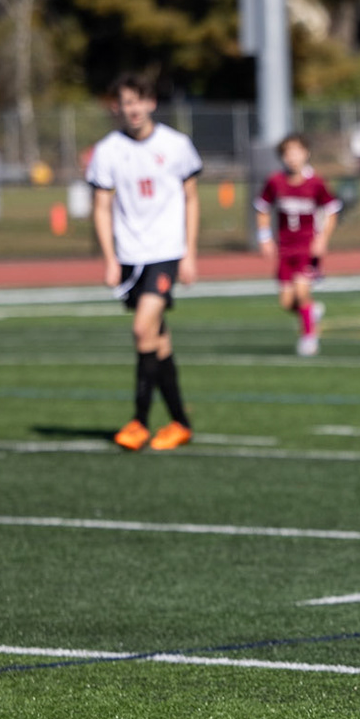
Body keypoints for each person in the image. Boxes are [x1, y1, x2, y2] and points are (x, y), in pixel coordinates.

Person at [88, 73, 203, 452]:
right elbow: (102, 207)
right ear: (116, 107)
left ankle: (138, 421)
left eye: (139, 101)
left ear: (151, 103)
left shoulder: (176, 145)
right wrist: (109, 259)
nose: (133, 109)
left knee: (141, 330)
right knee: (158, 341)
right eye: (126, 102)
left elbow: (191, 198)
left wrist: (189, 252)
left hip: (165, 252)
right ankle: (180, 423)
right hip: (129, 257)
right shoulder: (107, 151)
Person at [254, 133, 341, 357]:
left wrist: (323, 239)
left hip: (307, 247)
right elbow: (262, 209)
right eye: (287, 153)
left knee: (302, 291)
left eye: (296, 152)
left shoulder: (316, 183)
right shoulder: (275, 181)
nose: (292, 158)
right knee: (286, 301)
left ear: (306, 154)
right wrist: (264, 237)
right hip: (285, 248)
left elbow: (331, 212)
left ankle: (309, 338)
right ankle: (311, 312)